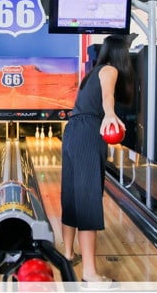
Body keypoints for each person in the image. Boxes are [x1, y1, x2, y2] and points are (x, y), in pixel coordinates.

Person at [60, 33, 137, 284]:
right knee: (88, 199)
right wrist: (110, 115)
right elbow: (107, 97)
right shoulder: (110, 70)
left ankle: (68, 254)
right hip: (89, 130)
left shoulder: (92, 72)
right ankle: (90, 273)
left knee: (72, 195)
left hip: (73, 129)